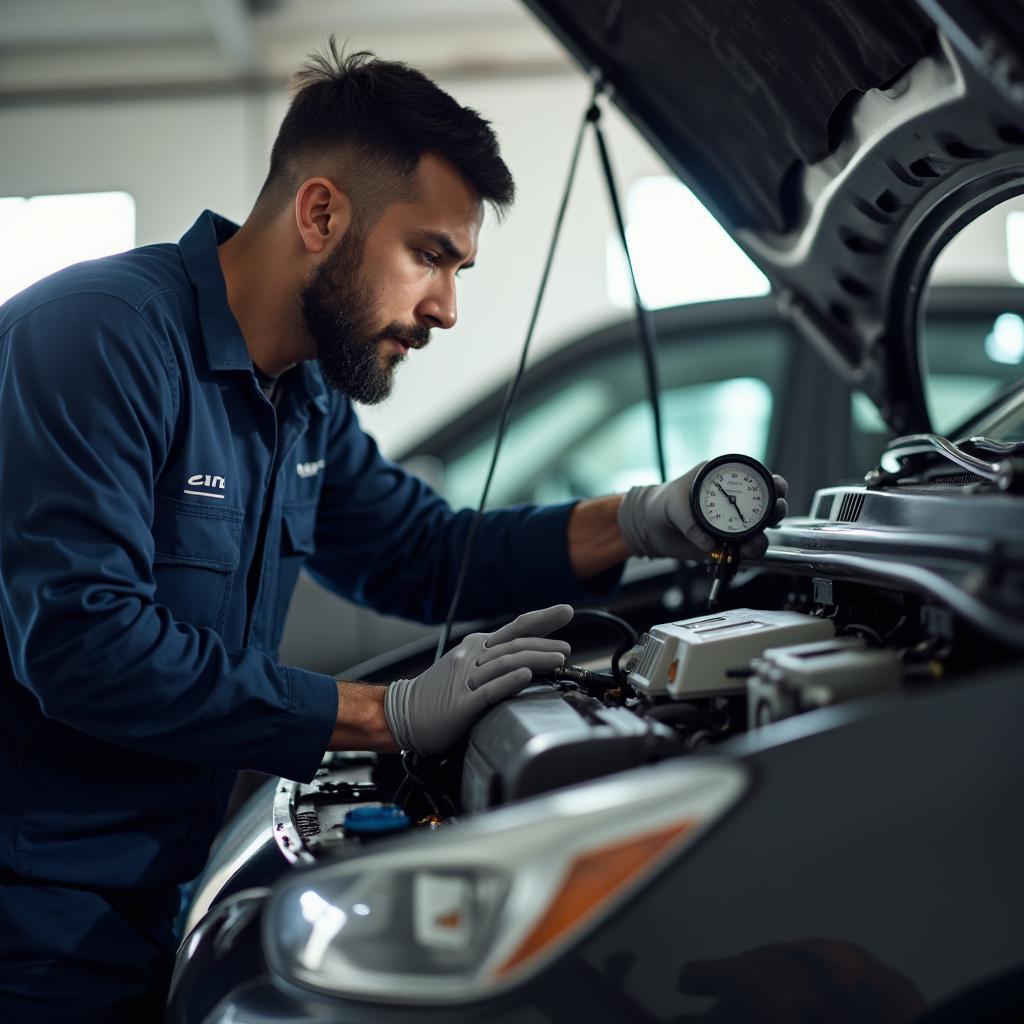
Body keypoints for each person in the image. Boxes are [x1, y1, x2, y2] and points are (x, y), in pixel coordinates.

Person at [0, 44, 786, 1021]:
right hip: (33, 917)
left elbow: (420, 555)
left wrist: (639, 518)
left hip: (165, 884)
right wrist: (389, 713)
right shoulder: (95, 339)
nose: (446, 309)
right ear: (322, 213)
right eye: (429, 255)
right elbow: (86, 646)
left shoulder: (305, 396)